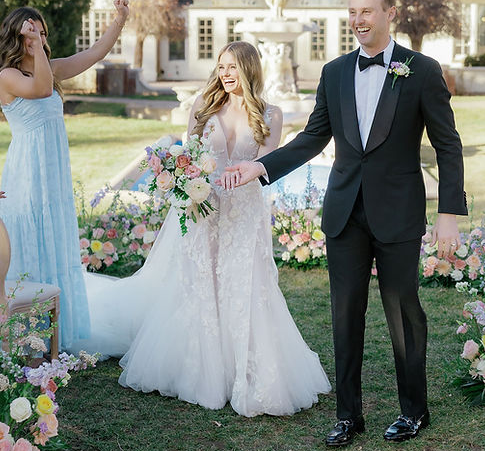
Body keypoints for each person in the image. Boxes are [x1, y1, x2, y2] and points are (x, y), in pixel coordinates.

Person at [224, 0, 467, 445]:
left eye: (367, 12)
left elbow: (448, 145)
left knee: (403, 312)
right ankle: (347, 416)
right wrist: (260, 165)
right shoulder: (334, 73)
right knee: (344, 315)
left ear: (389, 13)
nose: (357, 20)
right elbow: (312, 138)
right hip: (343, 213)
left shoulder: (422, 71)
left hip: (397, 212)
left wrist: (449, 212)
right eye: (352, 12)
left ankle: (415, 411)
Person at [81, 41, 330, 416]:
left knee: (243, 285)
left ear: (249, 69)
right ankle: (200, 370)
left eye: (234, 67)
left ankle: (244, 373)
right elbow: (187, 155)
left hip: (243, 211)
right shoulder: (203, 106)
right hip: (201, 209)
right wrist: (183, 180)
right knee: (201, 282)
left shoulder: (271, 114)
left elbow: (266, 166)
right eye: (222, 67)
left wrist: (243, 176)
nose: (227, 74)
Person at [0, 0, 129, 349]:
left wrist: (119, 20)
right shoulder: (7, 76)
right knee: (27, 235)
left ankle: (57, 332)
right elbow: (39, 90)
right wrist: (37, 48)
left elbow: (95, 54)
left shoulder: (48, 69)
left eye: (41, 31)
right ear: (15, 36)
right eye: (30, 31)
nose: (38, 36)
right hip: (27, 172)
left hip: (53, 173)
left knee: (53, 236)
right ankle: (26, 335)